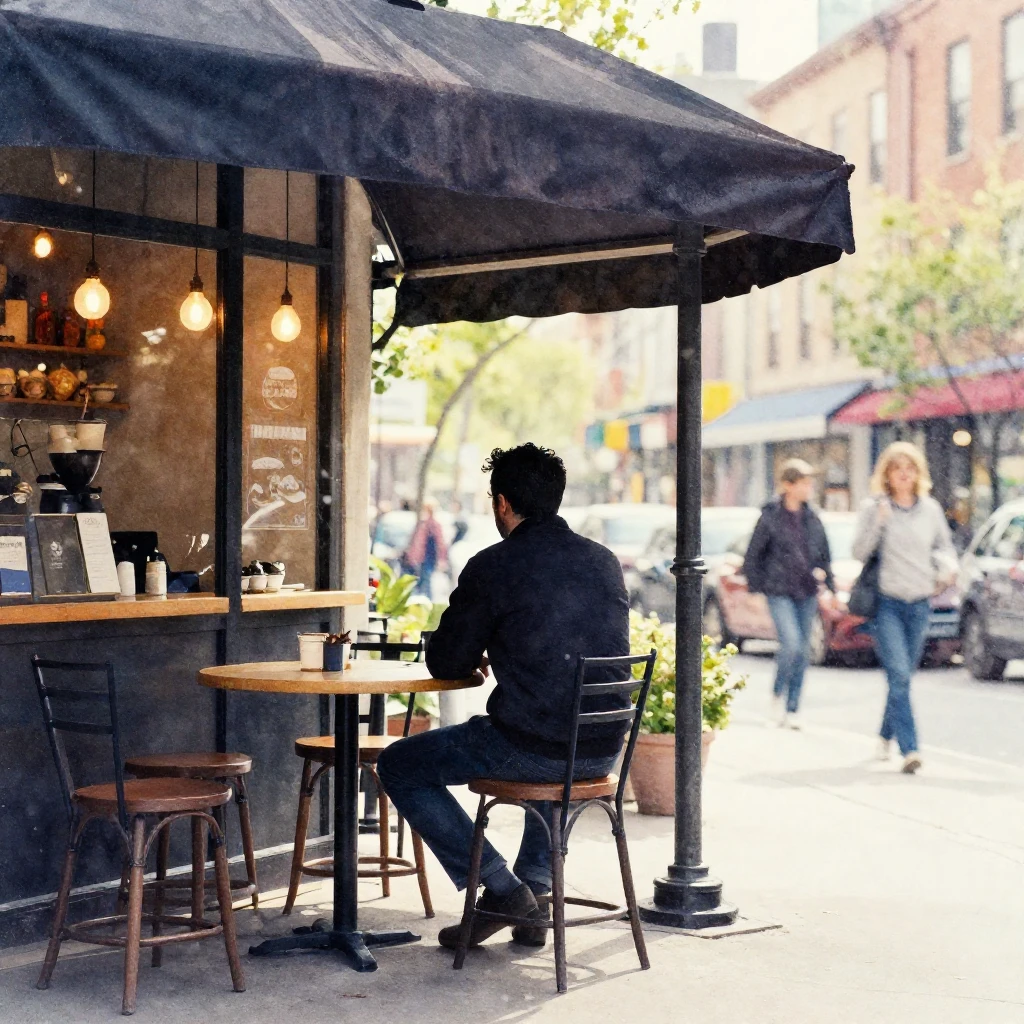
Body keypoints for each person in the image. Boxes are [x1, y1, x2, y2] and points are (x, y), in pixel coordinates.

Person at [377, 443, 629, 950]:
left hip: (534, 747)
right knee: (560, 734)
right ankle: (534, 893)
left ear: (501, 503)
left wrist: (483, 648)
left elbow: (446, 662)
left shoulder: (494, 564)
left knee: (399, 764)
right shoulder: (603, 562)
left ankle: (503, 888)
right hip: (602, 747)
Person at [853, 442, 957, 775]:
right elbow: (858, 551)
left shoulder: (930, 509)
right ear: (886, 474)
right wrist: (879, 523)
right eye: (896, 467)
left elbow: (943, 547)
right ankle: (910, 749)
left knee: (903, 678)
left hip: (920, 601)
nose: (903, 473)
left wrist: (944, 568)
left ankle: (885, 733)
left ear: (917, 473)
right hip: (888, 602)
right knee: (898, 674)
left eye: (909, 467)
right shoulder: (875, 508)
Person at [743, 458, 834, 729]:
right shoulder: (770, 515)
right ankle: (776, 693)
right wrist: (756, 590)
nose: (809, 488)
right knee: (791, 644)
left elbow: (824, 553)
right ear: (787, 485)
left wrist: (829, 581)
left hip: (806, 589)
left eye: (810, 483)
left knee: (803, 650)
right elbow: (753, 555)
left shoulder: (812, 516)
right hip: (778, 589)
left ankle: (793, 708)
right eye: (804, 483)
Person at [402, 498, 448, 599]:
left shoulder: (432, 525)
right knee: (422, 581)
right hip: (423, 557)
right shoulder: (424, 523)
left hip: (428, 558)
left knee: (425, 581)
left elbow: (439, 543)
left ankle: (427, 602)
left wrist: (441, 559)